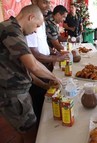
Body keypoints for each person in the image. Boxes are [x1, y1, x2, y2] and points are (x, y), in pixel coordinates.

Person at [0, 5, 61, 143]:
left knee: (27, 131)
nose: (35, 31)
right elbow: (33, 65)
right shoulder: (10, 30)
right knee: (32, 135)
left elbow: (26, 69)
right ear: (30, 17)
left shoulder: (16, 30)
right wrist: (55, 77)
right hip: (13, 95)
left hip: (18, 93)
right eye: (37, 26)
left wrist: (45, 85)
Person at [26, 0, 69, 123]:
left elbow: (43, 43)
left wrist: (52, 52)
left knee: (47, 96)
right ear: (34, 1)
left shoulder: (41, 21)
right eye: (45, 2)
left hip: (44, 64)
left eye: (49, 2)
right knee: (39, 102)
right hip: (35, 68)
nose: (49, 6)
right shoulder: (30, 22)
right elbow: (34, 56)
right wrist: (56, 58)